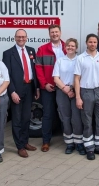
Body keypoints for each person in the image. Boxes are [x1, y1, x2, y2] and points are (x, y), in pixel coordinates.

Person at [2, 29, 40, 158]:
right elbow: (7, 76)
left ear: (27, 37)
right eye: (19, 37)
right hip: (17, 90)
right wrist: (12, 91)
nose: (21, 39)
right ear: (14, 38)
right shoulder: (8, 54)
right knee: (17, 119)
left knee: (26, 118)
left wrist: (37, 88)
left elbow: (34, 71)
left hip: (29, 88)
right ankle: (19, 146)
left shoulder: (31, 51)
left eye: (23, 37)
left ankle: (25, 142)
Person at [74, 34, 99, 160]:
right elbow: (77, 79)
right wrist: (78, 97)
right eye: (90, 42)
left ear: (97, 43)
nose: (93, 44)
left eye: (94, 42)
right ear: (86, 43)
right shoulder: (81, 58)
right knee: (87, 121)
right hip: (86, 92)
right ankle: (89, 148)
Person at [35, 24, 66, 152]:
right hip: (49, 87)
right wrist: (44, 84)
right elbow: (38, 69)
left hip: (64, 87)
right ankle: (46, 141)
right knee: (48, 114)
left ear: (60, 33)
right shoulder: (42, 49)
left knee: (65, 114)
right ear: (49, 34)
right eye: (52, 32)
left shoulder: (67, 47)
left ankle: (68, 140)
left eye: (56, 32)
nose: (54, 34)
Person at [53, 38, 86, 155]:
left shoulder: (80, 59)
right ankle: (69, 143)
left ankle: (79, 143)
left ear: (76, 48)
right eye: (68, 46)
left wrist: (72, 89)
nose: (70, 48)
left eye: (73, 46)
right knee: (65, 118)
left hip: (76, 91)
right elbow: (56, 77)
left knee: (76, 118)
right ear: (65, 47)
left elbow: (82, 76)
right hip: (62, 91)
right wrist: (65, 89)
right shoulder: (60, 60)